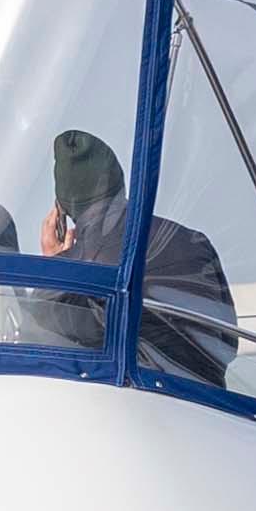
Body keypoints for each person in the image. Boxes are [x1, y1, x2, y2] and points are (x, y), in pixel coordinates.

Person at [39, 129, 235, 384]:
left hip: (128, 400)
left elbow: (45, 350)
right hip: (206, 399)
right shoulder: (194, 242)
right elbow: (228, 342)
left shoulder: (64, 283)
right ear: (120, 184)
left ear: (60, 210)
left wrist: (55, 267)